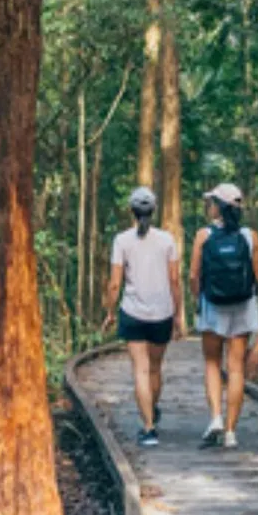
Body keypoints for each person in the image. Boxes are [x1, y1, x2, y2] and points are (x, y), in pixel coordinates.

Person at [104, 186, 183, 447]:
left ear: (131, 211)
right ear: (154, 210)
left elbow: (115, 283)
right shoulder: (167, 240)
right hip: (161, 313)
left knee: (140, 369)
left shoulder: (122, 240)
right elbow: (175, 281)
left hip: (132, 312)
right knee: (155, 368)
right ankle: (152, 409)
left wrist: (109, 312)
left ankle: (148, 427)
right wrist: (178, 315)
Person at [190, 182, 258, 450]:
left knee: (211, 362)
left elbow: (193, 275)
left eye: (211, 202)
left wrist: (197, 298)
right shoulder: (250, 236)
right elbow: (257, 275)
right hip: (244, 305)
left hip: (213, 305)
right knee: (236, 368)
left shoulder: (203, 235)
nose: (208, 206)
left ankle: (216, 419)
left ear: (218, 207)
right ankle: (231, 432)